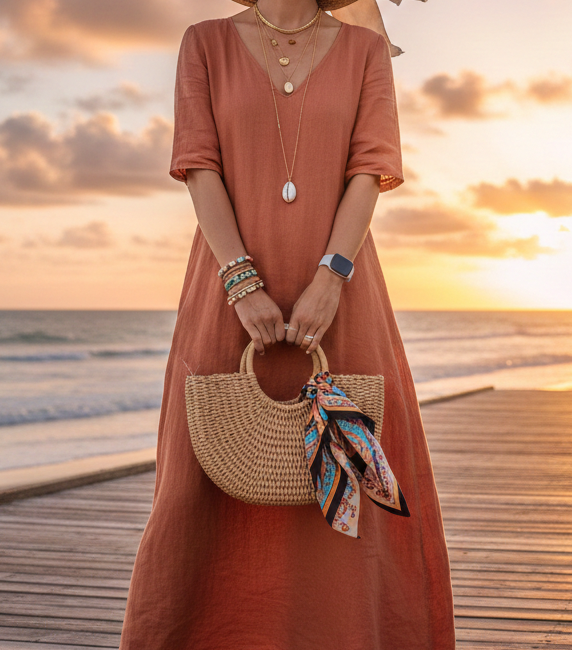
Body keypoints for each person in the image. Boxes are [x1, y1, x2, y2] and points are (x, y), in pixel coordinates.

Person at [118, 0, 456, 647]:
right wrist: (240, 282)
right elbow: (198, 164)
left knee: (357, 491)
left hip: (345, 295)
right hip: (224, 293)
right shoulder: (205, 44)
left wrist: (331, 277)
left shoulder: (363, 53)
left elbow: (371, 167)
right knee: (195, 495)